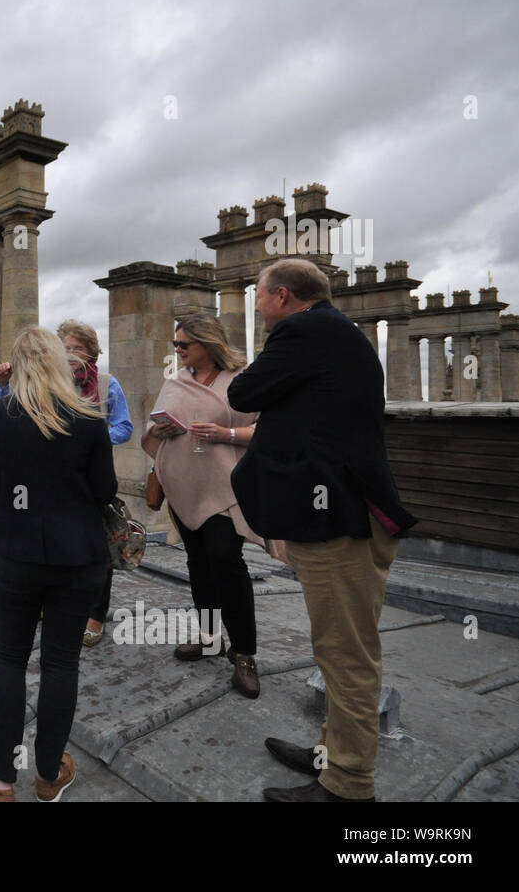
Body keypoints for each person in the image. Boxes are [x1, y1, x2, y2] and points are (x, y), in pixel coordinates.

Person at [228, 258, 416, 803]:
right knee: (337, 647)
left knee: (346, 653)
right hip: (344, 515)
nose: (258, 307)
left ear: (284, 297)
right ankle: (333, 752)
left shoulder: (304, 330)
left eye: (260, 297)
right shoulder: (337, 333)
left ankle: (349, 785)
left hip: (343, 521)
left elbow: (244, 392)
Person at [0, 327, 117, 802]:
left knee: (9, 658)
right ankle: (49, 774)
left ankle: (0, 779)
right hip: (79, 557)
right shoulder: (88, 418)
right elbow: (105, 490)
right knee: (62, 662)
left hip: (18, 553)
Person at [142, 313, 263, 698]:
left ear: (208, 345)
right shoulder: (175, 381)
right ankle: (211, 638)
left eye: (184, 345)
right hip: (182, 486)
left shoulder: (243, 379)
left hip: (224, 488)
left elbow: (268, 430)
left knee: (227, 562)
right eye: (175, 345)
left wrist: (225, 433)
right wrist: (158, 430)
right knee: (198, 564)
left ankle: (244, 654)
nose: (177, 351)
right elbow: (150, 430)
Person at [0, 319, 132, 647]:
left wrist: (90, 442)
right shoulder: (46, 382)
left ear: (91, 351)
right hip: (50, 482)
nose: (71, 354)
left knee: (97, 549)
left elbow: (124, 426)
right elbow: (10, 412)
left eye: (78, 348)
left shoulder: (105, 382)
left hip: (91, 481)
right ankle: (50, 604)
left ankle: (96, 616)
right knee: (51, 542)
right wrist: (2, 385)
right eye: (66, 348)